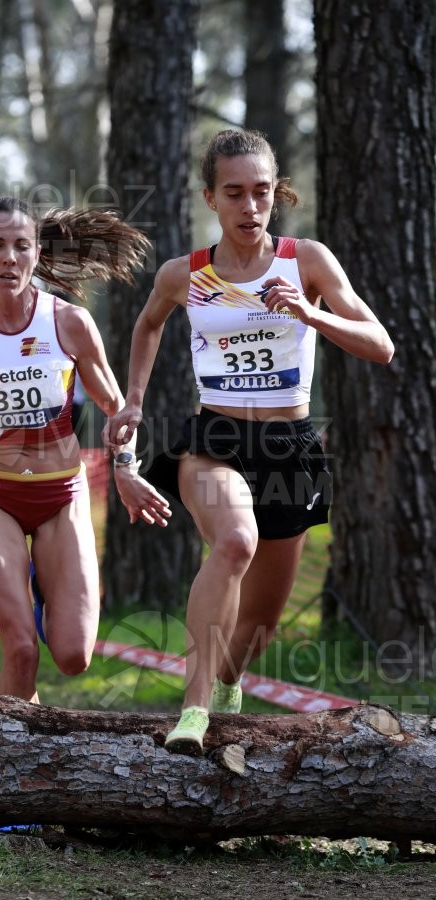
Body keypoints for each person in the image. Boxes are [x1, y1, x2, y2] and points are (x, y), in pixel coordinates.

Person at [104, 129, 394, 754]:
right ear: (211, 197)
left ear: (275, 194)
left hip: (289, 446)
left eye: (261, 192)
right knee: (235, 541)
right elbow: (148, 323)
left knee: (258, 625)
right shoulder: (186, 273)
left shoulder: (306, 260)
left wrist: (312, 315)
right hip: (215, 439)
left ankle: (229, 680)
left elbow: (382, 344)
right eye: (234, 193)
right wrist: (134, 397)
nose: (250, 207)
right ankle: (192, 710)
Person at [0, 196, 171, 703]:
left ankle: (44, 580)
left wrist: (126, 469)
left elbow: (118, 413)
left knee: (73, 655)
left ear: (37, 253)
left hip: (61, 494)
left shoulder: (69, 324)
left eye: (21, 246)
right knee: (21, 650)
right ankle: (9, 767)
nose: (9, 258)